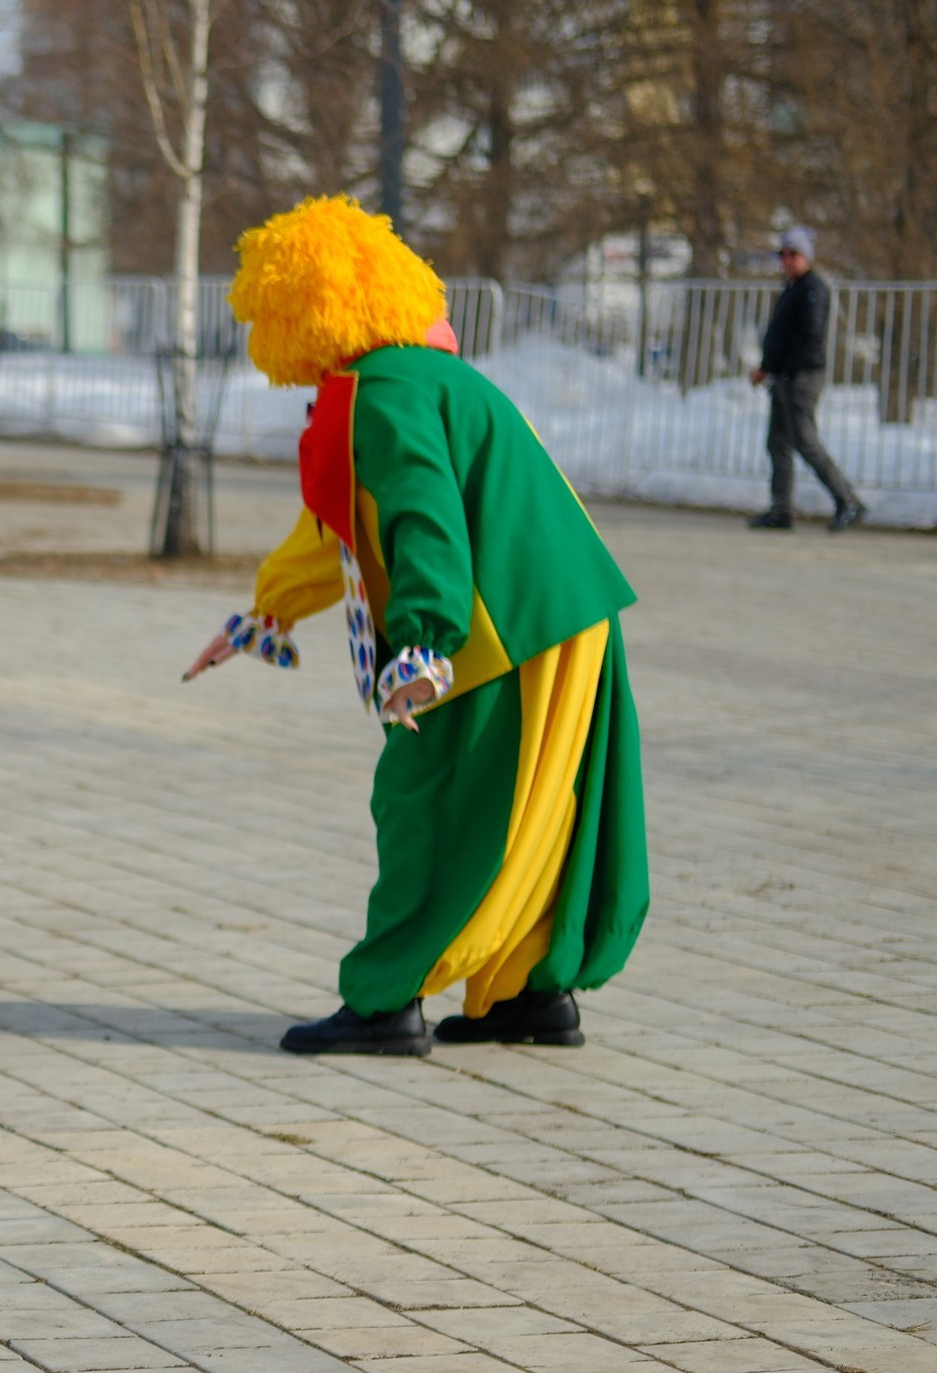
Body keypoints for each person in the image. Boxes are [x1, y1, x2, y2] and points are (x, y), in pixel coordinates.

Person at [186, 196, 648, 1057]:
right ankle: (527, 991)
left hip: (498, 630)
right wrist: (265, 613)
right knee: (540, 815)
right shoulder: (422, 376)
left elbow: (422, 518)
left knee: (428, 801)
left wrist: (425, 642)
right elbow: (339, 524)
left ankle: (384, 1000)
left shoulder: (381, 391)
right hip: (563, 613)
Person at [749, 227, 866, 533]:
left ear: (806, 257)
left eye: (793, 254)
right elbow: (780, 337)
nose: (786, 260)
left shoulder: (812, 289)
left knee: (805, 441)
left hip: (800, 376)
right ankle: (781, 509)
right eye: (783, 254)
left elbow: (808, 337)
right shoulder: (792, 288)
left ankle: (847, 500)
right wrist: (768, 367)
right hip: (783, 375)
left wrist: (785, 368)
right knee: (778, 443)